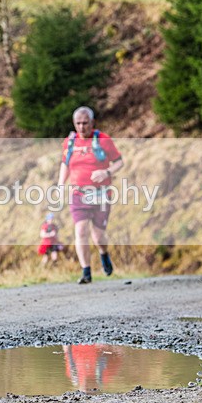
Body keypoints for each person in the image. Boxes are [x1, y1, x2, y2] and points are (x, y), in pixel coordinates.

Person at [58, 106, 124, 284]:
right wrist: (60, 184)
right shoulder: (70, 142)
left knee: (98, 236)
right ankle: (86, 272)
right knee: (80, 231)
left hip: (101, 194)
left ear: (92, 123)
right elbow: (65, 164)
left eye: (85, 123)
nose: (81, 127)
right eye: (78, 123)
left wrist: (107, 173)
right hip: (78, 194)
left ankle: (103, 253)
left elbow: (119, 162)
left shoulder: (103, 140)